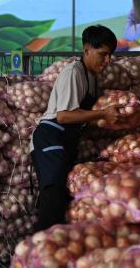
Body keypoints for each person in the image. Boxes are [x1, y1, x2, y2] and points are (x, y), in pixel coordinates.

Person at [30, 25, 121, 231]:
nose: (107, 61)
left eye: (110, 56)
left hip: (66, 140)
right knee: (53, 195)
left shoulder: (92, 79)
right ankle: (38, 251)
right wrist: (103, 113)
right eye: (103, 54)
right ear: (87, 49)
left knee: (62, 196)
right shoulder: (74, 72)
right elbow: (64, 116)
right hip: (51, 136)